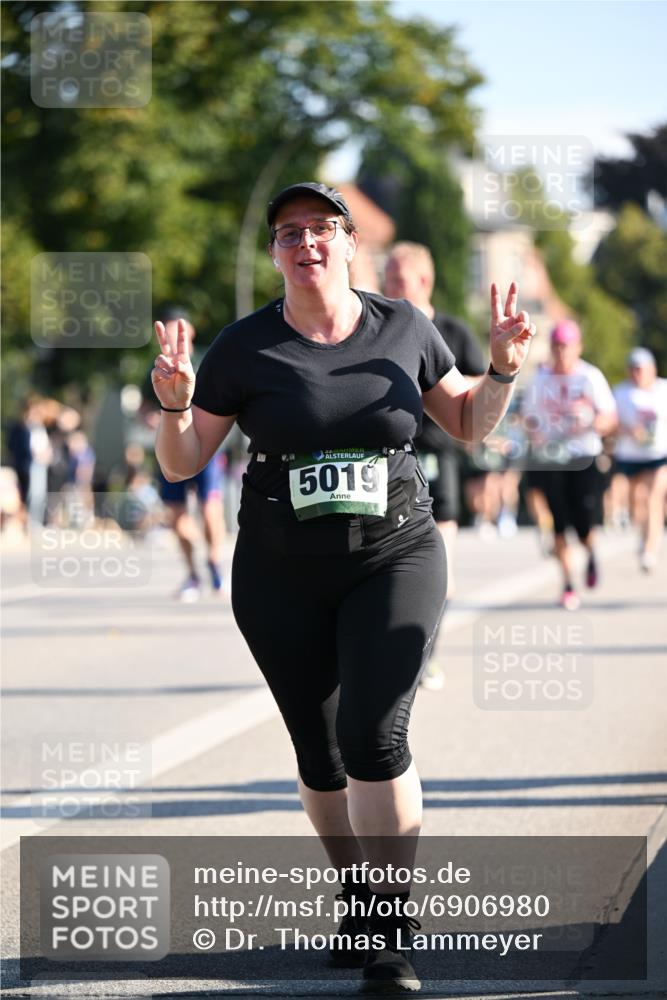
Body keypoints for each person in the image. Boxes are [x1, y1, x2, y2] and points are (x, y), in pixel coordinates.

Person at [152, 181, 536, 993]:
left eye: (322, 228)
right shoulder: (243, 347)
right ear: (274, 253)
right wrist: (175, 407)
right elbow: (184, 461)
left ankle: (390, 929)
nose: (306, 243)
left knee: (372, 737)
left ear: (348, 243)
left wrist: (499, 369)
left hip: (392, 553)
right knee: (320, 757)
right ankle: (357, 890)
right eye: (289, 232)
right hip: (278, 570)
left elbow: (467, 423)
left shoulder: (405, 327)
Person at [384, 242, 486, 690]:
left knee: (437, 563)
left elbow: (483, 386)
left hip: (437, 457)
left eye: (398, 280)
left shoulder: (451, 330)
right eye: (386, 279)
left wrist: (441, 389)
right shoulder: (379, 328)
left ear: (424, 282)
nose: (389, 288)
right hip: (388, 460)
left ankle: (428, 656)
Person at [522, 320, 617, 610]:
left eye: (567, 346)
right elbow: (528, 418)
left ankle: (590, 553)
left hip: (583, 456)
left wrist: (592, 423)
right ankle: (567, 584)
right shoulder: (540, 379)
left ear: (578, 347)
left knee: (585, 523)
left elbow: (610, 417)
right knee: (559, 525)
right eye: (557, 346)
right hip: (552, 458)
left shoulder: (590, 377)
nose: (562, 352)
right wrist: (535, 431)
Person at [146, 309, 226, 601]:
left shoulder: (208, 361)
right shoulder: (158, 367)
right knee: (177, 518)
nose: (175, 336)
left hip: (206, 447)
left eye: (180, 331)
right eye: (168, 331)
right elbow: (144, 406)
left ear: (190, 333)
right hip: (171, 448)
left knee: (209, 510)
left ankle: (215, 566)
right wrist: (153, 417)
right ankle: (193, 573)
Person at [613, 347, 667, 572]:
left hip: (659, 455)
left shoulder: (663, 389)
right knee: (638, 502)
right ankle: (643, 533)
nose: (638, 374)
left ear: (651, 369)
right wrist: (627, 430)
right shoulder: (620, 392)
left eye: (641, 369)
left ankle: (649, 550)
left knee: (654, 498)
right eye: (634, 370)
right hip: (630, 455)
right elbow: (610, 420)